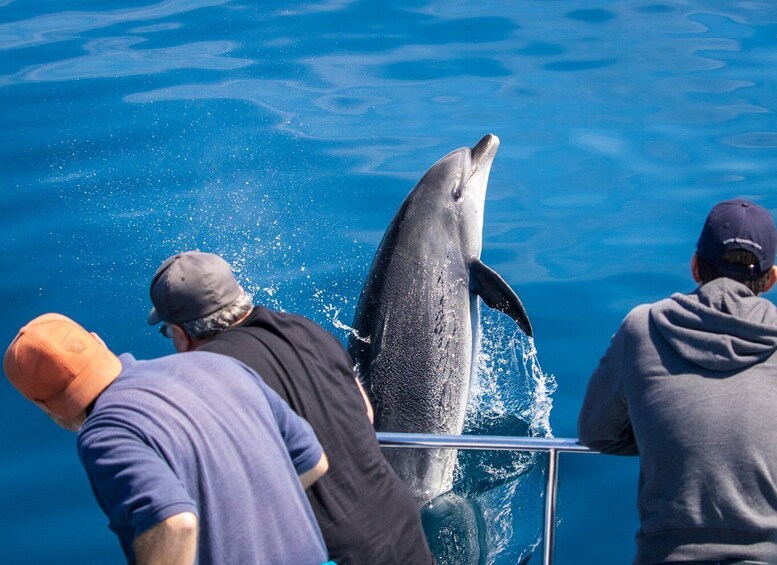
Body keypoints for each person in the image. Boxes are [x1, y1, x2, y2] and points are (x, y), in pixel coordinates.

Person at [147, 251, 435, 565]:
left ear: (179, 333)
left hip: (334, 554)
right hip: (399, 526)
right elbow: (364, 413)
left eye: (168, 332)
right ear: (238, 295)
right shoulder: (304, 329)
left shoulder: (209, 374)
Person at [3, 313, 331, 565]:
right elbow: (314, 461)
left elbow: (174, 523)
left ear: (43, 406)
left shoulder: (104, 433)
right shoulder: (215, 364)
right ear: (99, 343)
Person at [578, 198, 777, 564]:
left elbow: (595, 432)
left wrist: (663, 433)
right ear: (771, 278)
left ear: (696, 266)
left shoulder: (642, 328)